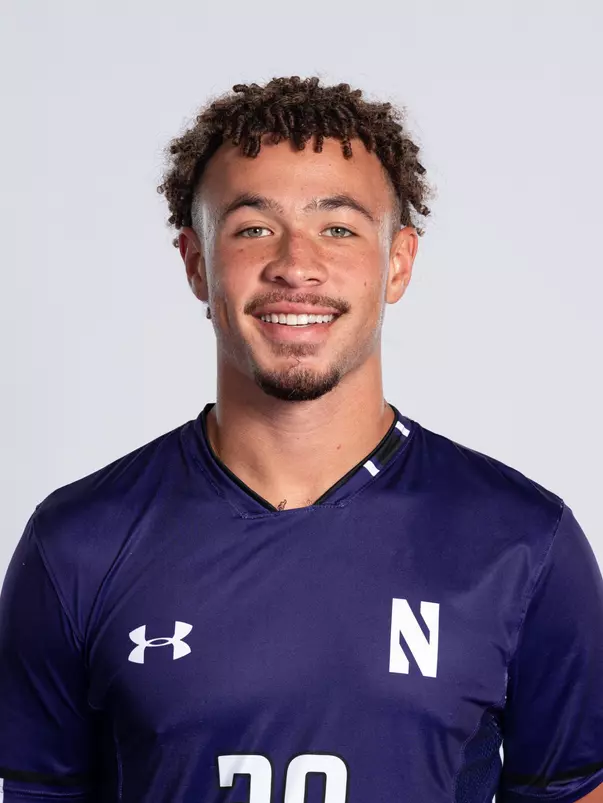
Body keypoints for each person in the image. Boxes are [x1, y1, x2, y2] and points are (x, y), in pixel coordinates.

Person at [0, 75, 601, 803]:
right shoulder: (77, 544)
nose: (295, 265)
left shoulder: (523, 539)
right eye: (253, 227)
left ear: (398, 262)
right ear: (196, 261)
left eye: (338, 227)